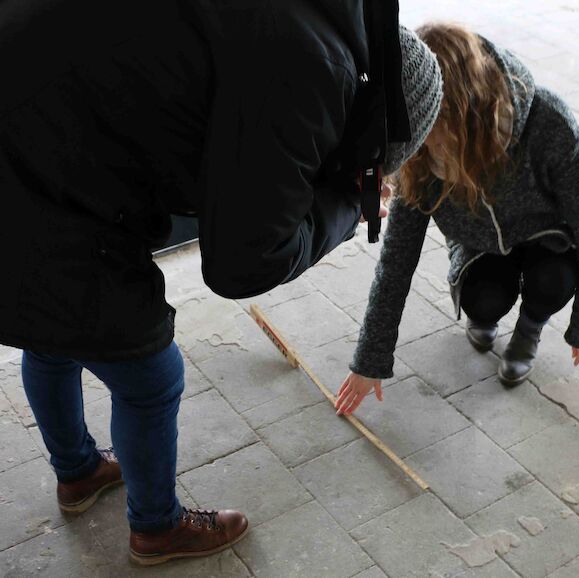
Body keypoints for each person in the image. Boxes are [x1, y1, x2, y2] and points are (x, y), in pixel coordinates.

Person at [0, 0, 442, 566]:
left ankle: (78, 473)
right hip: (41, 161)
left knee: (52, 328)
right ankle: (157, 529)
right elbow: (244, 263)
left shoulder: (315, 25)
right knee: (149, 374)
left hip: (38, 105)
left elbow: (218, 151)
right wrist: (344, 209)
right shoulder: (311, 70)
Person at [336, 22, 579, 417]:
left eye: (435, 129)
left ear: (466, 108)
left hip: (546, 239)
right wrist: (370, 360)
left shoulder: (549, 122)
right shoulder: (418, 147)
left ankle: (529, 327)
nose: (424, 145)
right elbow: (397, 259)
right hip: (479, 241)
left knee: (554, 281)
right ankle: (488, 311)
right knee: (481, 301)